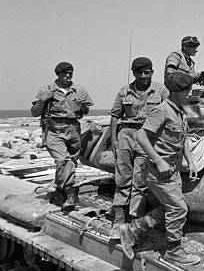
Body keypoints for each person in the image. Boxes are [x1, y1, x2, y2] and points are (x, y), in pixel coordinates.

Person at [119, 71, 200, 265]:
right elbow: (141, 136)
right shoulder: (162, 110)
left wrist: (190, 161)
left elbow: (183, 139)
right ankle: (173, 251)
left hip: (171, 169)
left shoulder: (180, 111)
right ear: (175, 91)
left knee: (171, 207)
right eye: (187, 90)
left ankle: (131, 230)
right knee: (179, 209)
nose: (190, 93)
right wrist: (159, 160)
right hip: (158, 169)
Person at [108, 57, 169, 240]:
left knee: (141, 179)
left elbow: (169, 113)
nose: (144, 76)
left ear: (152, 72)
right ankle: (118, 218)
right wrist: (114, 140)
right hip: (126, 134)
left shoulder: (161, 91)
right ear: (133, 73)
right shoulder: (124, 91)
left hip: (148, 135)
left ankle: (134, 219)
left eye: (147, 72)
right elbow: (114, 116)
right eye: (140, 73)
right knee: (122, 176)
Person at [31, 62, 94, 211]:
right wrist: (42, 100)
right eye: (65, 73)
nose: (68, 76)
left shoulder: (79, 90)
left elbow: (85, 111)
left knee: (71, 161)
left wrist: (83, 105)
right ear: (57, 74)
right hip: (53, 129)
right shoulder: (46, 90)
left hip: (73, 129)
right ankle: (71, 193)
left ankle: (59, 192)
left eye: (70, 73)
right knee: (63, 161)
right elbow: (34, 112)